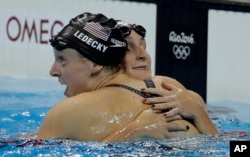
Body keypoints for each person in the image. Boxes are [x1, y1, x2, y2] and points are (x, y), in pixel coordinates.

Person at [37, 12, 200, 142]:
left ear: (95, 64)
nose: (53, 71)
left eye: (62, 60)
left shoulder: (66, 113)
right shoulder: (169, 89)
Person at [114, 20, 218, 135]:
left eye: (143, 46)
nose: (143, 55)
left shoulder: (184, 96)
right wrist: (136, 130)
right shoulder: (101, 104)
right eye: (128, 48)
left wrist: (198, 112)